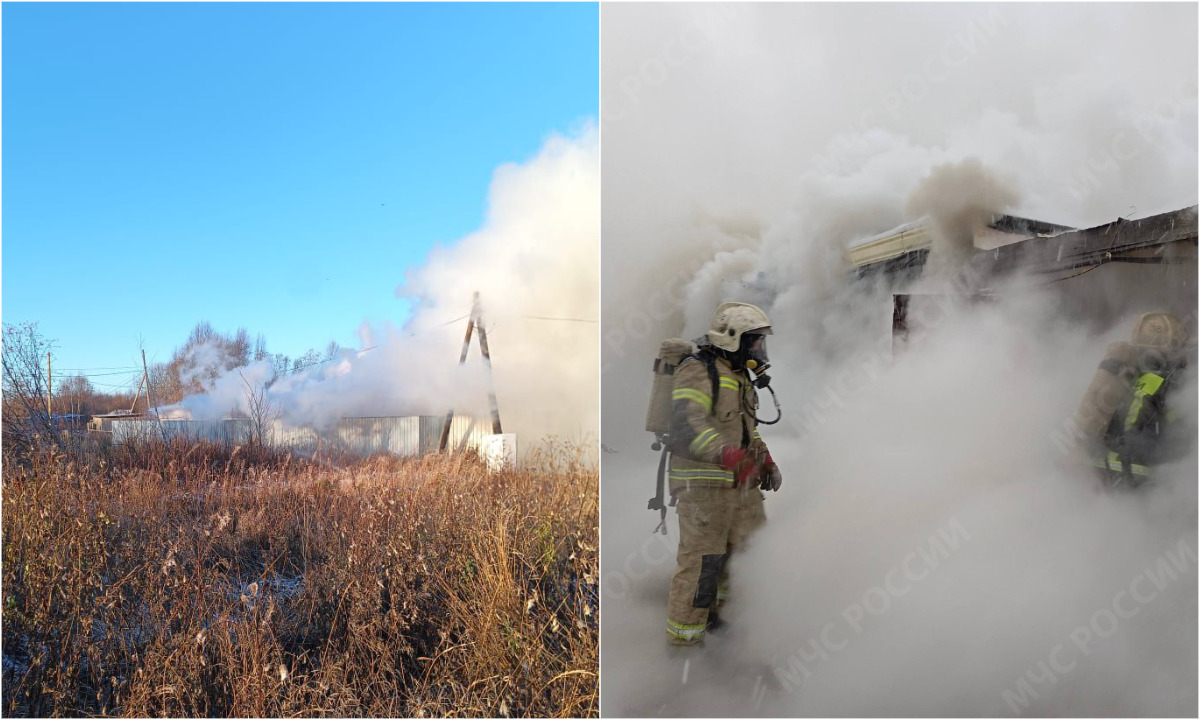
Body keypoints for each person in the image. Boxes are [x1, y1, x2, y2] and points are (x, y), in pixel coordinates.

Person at [665, 302, 782, 645]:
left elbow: (747, 431)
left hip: (736, 488)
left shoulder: (738, 377)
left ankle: (718, 621)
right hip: (701, 488)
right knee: (703, 564)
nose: (759, 348)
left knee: (741, 556)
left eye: (761, 341)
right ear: (733, 338)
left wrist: (765, 460)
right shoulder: (698, 370)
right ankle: (684, 644)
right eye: (755, 340)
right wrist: (730, 456)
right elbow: (688, 424)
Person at [1081, 311, 1191, 489]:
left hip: (1105, 472)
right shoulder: (1167, 383)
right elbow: (1181, 432)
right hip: (1137, 479)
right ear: (1173, 348)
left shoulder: (1126, 375)